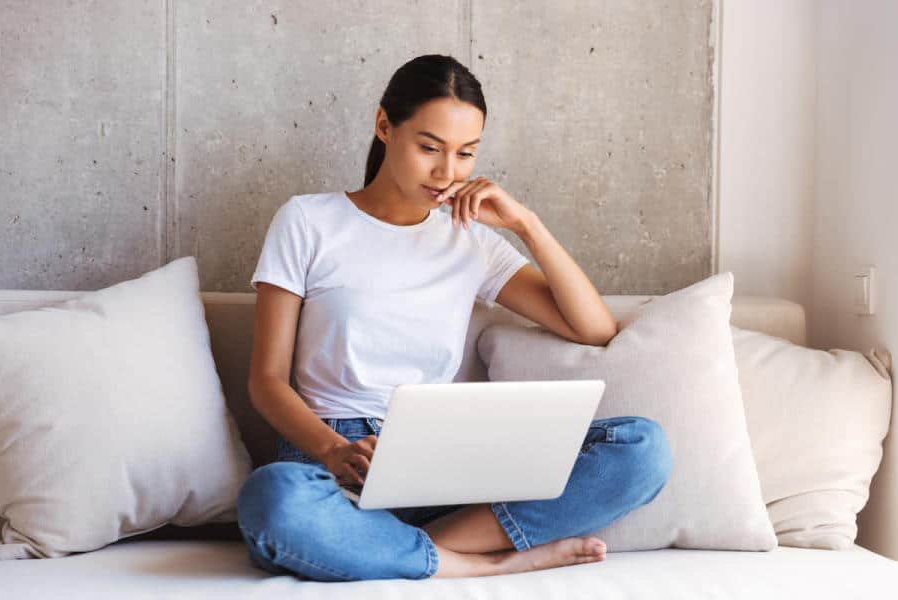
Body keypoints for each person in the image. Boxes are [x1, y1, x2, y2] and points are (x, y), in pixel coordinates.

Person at [236, 53, 673, 582]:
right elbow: (266, 381)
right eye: (429, 148)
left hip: (439, 462)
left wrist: (526, 225)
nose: (448, 173)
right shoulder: (308, 220)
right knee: (273, 499)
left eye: (466, 153)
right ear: (384, 127)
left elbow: (593, 328)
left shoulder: (472, 243)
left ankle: (397, 551)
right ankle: (480, 564)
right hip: (331, 462)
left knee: (640, 449)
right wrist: (333, 450)